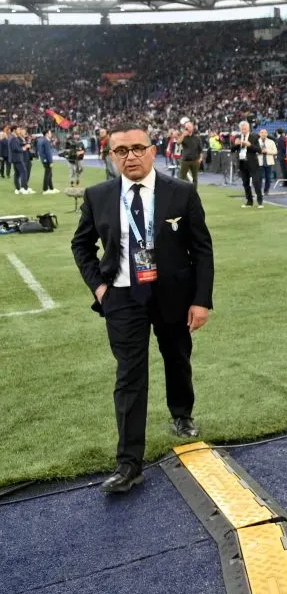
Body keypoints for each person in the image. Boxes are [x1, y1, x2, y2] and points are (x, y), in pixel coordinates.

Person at [71, 122, 215, 494]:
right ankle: (128, 462)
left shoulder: (181, 192)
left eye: (138, 148)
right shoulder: (98, 195)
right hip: (122, 297)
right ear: (111, 155)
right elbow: (81, 245)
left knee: (177, 358)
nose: (130, 156)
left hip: (172, 295)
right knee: (129, 376)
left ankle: (182, 415)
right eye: (121, 151)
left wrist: (201, 300)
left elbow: (201, 249)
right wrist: (100, 287)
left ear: (153, 151)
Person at [231, 120, 263, 208]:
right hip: (242, 163)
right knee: (245, 183)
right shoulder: (237, 137)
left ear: (248, 128)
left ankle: (260, 202)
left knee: (256, 182)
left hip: (252, 163)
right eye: (242, 129)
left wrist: (250, 145)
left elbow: (259, 150)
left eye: (245, 129)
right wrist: (236, 144)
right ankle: (249, 201)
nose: (243, 130)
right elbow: (232, 149)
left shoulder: (254, 136)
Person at [178, 120, 202, 188]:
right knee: (182, 177)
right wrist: (183, 135)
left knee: (195, 178)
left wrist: (200, 158)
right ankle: (181, 192)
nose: (188, 128)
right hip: (185, 160)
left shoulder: (197, 138)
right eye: (186, 127)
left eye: (189, 126)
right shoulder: (183, 136)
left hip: (195, 160)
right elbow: (178, 142)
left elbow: (200, 149)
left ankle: (194, 193)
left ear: (192, 128)